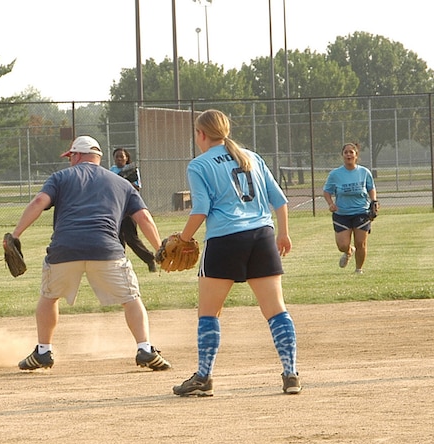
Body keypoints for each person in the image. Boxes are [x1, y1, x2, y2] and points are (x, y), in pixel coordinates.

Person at [4, 135, 171, 372]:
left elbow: (40, 200)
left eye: (70, 156)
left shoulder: (60, 177)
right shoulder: (121, 183)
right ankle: (145, 349)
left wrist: (16, 234)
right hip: (107, 249)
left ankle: (43, 351)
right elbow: (143, 217)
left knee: (49, 297)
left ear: (77, 155)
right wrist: (158, 248)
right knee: (131, 299)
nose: (70, 161)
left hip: (65, 248)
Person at [171, 109, 301, 397]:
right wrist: (283, 233)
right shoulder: (251, 156)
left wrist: (183, 238)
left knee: (208, 312)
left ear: (201, 134)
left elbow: (201, 209)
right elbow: (279, 200)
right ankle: (291, 373)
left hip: (225, 240)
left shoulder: (199, 165)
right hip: (262, 237)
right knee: (276, 309)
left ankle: (204, 377)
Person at [323, 143, 377, 274]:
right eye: (346, 152)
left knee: (360, 243)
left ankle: (359, 269)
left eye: (351, 152)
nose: (348, 155)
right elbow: (326, 191)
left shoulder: (364, 172)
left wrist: (374, 201)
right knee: (342, 245)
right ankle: (348, 252)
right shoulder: (335, 174)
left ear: (356, 155)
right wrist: (331, 203)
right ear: (342, 155)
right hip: (342, 213)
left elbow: (371, 188)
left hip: (361, 212)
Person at [110, 147, 157, 272]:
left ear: (127, 158)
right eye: (117, 157)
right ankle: (119, 265)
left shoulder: (132, 170)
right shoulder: (111, 171)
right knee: (117, 239)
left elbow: (137, 188)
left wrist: (124, 181)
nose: (119, 159)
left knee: (131, 239)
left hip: (129, 209)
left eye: (122, 156)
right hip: (116, 209)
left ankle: (150, 259)